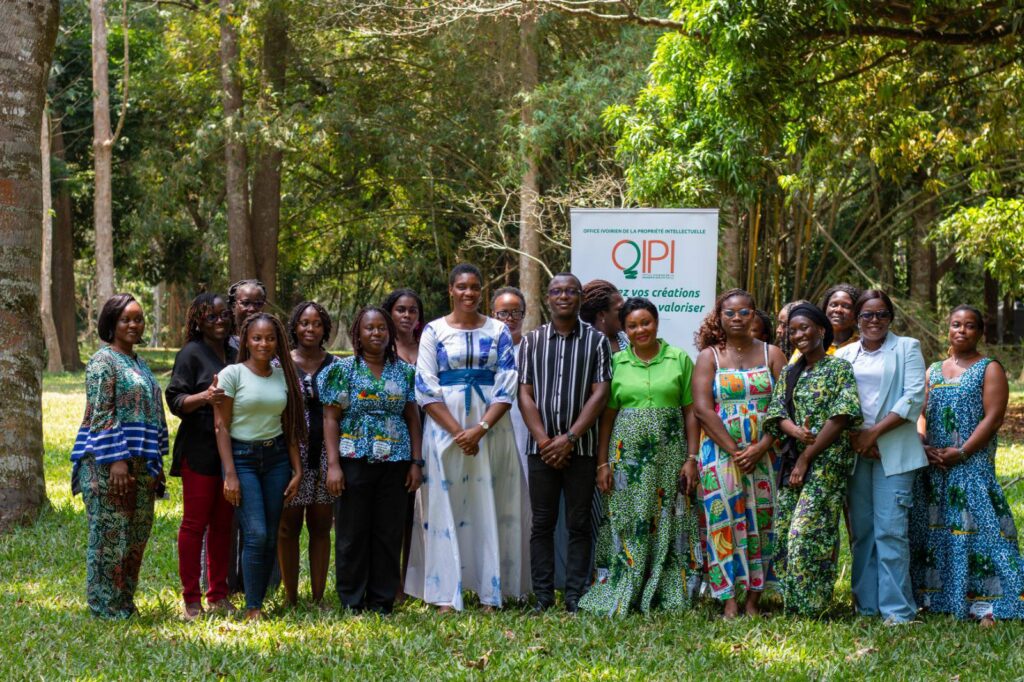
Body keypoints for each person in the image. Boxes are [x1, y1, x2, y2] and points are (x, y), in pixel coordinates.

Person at [405, 263, 530, 611]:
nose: (469, 293)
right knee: (446, 505)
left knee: (490, 501)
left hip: (492, 429)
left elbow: (507, 384)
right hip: (446, 429)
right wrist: (459, 432)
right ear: (451, 290)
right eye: (462, 287)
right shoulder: (432, 331)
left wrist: (480, 428)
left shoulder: (499, 330)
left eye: (475, 287)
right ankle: (446, 592)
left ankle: (493, 591)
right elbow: (425, 386)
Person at [581, 297, 701, 615]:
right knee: (628, 517)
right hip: (627, 458)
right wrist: (603, 463)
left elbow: (691, 412)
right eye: (632, 325)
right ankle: (626, 584)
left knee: (668, 518)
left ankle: (666, 585)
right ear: (624, 329)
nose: (640, 330)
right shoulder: (616, 363)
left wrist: (691, 457)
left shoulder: (679, 359)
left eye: (645, 322)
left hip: (669, 455)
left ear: (657, 323)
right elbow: (607, 416)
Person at [910, 305, 1024, 625]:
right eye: (956, 325)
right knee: (935, 530)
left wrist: (961, 452)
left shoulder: (989, 368)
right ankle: (937, 597)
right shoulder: (932, 370)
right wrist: (924, 445)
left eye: (969, 326)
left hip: (970, 464)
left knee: (979, 531)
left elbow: (994, 418)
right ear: (948, 329)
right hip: (935, 465)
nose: (961, 330)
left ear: (979, 332)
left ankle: (987, 602)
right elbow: (921, 413)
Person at [519, 273, 612, 613]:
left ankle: (574, 596)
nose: (563, 297)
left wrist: (569, 437)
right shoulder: (532, 341)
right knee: (541, 524)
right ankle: (544, 597)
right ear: (547, 297)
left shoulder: (597, 341)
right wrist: (546, 441)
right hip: (540, 450)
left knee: (579, 524)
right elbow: (524, 393)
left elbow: (600, 393)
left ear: (579, 298)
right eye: (557, 291)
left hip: (582, 449)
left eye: (570, 291)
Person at [71, 294, 168, 619]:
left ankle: (124, 602)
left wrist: (157, 462)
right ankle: (104, 606)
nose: (133, 324)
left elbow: (153, 413)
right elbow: (102, 414)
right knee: (110, 536)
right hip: (108, 463)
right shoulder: (103, 361)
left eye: (138, 319)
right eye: (126, 319)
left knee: (136, 536)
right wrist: (117, 461)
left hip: (142, 464)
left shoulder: (139, 363)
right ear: (111, 323)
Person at [691, 289, 787, 618]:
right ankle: (729, 600)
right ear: (719, 317)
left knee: (761, 520)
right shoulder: (709, 357)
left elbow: (784, 407)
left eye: (743, 312)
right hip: (720, 453)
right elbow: (703, 409)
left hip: (765, 452)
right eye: (729, 313)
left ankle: (754, 601)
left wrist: (760, 448)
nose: (736, 318)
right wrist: (735, 451)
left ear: (754, 315)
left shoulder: (772, 353)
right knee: (724, 522)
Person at [321, 307, 423, 614]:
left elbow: (412, 418)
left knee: (388, 532)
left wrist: (416, 462)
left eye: (381, 328)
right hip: (354, 458)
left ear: (389, 333)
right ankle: (353, 599)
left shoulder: (404, 371)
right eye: (369, 328)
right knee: (352, 532)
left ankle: (382, 600)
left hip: (396, 461)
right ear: (358, 333)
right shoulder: (344, 370)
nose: (376, 333)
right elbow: (330, 418)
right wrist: (334, 464)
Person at [836, 289, 927, 625]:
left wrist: (873, 435)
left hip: (894, 450)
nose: (874, 321)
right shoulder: (844, 355)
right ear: (857, 319)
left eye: (881, 314)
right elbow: (837, 404)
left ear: (890, 317)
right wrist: (856, 438)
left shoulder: (907, 348)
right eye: (867, 315)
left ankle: (897, 611)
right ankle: (866, 606)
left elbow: (913, 397)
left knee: (890, 530)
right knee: (862, 532)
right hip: (856, 452)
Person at [765, 303, 862, 616]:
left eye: (805, 328)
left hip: (826, 465)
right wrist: (794, 431)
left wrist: (808, 455)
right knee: (784, 532)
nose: (799, 335)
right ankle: (793, 604)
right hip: (793, 461)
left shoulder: (838, 368)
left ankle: (814, 605)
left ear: (822, 330)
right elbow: (776, 411)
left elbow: (842, 416)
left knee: (807, 533)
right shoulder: (793, 370)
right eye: (793, 330)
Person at [214, 313, 305, 620]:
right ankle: (253, 607)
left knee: (270, 534)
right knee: (256, 533)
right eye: (257, 338)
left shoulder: (283, 374)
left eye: (270, 338)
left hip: (277, 459)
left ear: (278, 341)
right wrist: (230, 474)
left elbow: (287, 424)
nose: (263, 343)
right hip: (242, 459)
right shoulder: (232, 374)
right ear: (246, 340)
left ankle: (259, 598)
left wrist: (298, 470)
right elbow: (221, 427)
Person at [165, 293, 237, 619]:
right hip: (198, 449)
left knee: (224, 525)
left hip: (233, 450)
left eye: (224, 315)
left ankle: (218, 595)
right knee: (195, 524)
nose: (220, 321)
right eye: (212, 317)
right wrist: (204, 397)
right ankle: (191, 600)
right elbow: (176, 400)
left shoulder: (237, 352)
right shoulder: (191, 354)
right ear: (199, 321)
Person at [277, 302, 340, 606]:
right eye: (304, 323)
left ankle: (317, 597)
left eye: (316, 323)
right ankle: (290, 596)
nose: (310, 329)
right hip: (291, 456)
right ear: (294, 327)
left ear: (325, 328)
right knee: (288, 526)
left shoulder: (337, 365)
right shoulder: (281, 364)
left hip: (327, 456)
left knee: (320, 526)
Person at [382, 287, 425, 602]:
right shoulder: (380, 348)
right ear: (389, 313)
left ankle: (415, 581)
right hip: (394, 438)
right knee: (395, 513)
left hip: (431, 432)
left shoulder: (429, 345)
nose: (407, 315)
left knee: (420, 513)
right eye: (401, 310)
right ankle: (392, 583)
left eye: (412, 310)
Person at [789, 284, 862, 361]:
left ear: (856, 312)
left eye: (846, 306)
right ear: (825, 308)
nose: (838, 310)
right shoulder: (810, 341)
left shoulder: (863, 345)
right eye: (833, 305)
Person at [580, 279, 628, 353]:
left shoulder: (627, 339)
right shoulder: (585, 344)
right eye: (620, 309)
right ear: (601, 315)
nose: (625, 313)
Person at [227, 279, 268, 352]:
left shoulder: (271, 343)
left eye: (258, 304)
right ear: (233, 307)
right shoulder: (225, 344)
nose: (252, 309)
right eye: (245, 303)